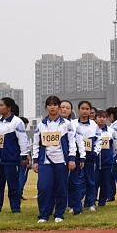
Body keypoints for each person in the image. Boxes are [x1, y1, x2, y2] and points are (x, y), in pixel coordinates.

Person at [31, 95, 78, 224]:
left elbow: (72, 142)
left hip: (61, 161)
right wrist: (35, 161)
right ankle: (44, 214)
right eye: (50, 105)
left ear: (58, 107)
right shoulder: (41, 125)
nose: (52, 107)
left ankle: (59, 213)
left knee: (61, 188)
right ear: (46, 107)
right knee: (44, 187)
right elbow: (36, 144)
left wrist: (72, 159)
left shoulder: (66, 124)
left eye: (55, 104)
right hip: (45, 162)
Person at [0, 97, 29, 214]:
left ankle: (15, 208)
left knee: (13, 186)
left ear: (9, 108)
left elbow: (22, 139)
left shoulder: (17, 122)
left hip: (11, 160)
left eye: (2, 105)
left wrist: (24, 155)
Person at [59, 100, 86, 216]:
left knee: (74, 183)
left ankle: (76, 207)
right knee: (59, 183)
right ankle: (60, 206)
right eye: (62, 107)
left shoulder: (75, 125)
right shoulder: (52, 124)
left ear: (71, 111)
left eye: (67, 108)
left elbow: (80, 142)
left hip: (73, 157)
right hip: (57, 158)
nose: (64, 109)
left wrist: (82, 157)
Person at [74, 101, 101, 212]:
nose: (85, 111)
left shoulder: (94, 125)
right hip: (76, 156)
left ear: (90, 111)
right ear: (79, 109)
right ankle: (76, 203)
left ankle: (90, 203)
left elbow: (99, 139)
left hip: (90, 156)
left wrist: (95, 152)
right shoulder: (73, 123)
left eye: (87, 109)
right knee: (77, 181)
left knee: (90, 180)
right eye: (82, 108)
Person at [94, 109, 116, 209]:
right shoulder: (92, 130)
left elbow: (115, 146)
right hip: (94, 162)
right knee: (94, 182)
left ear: (106, 119)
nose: (101, 119)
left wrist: (112, 157)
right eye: (99, 117)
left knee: (105, 183)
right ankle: (91, 201)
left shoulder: (111, 131)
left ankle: (102, 202)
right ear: (95, 118)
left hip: (107, 162)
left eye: (104, 117)